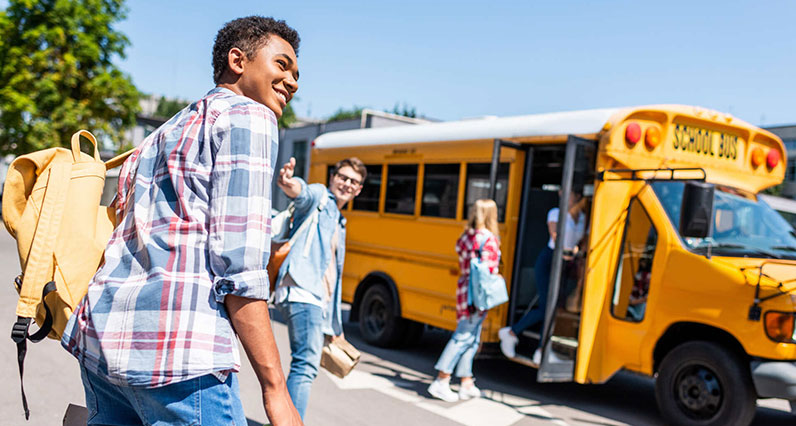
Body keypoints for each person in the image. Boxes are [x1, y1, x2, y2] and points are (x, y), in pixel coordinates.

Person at [60, 16, 302, 426]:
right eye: (282, 65)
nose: (292, 82)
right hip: (179, 356)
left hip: (102, 345)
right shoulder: (250, 116)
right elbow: (240, 269)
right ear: (237, 60)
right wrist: (276, 390)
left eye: (296, 75)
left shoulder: (162, 133)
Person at [273, 156, 365, 419]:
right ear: (332, 177)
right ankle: (289, 422)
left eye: (354, 182)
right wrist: (288, 183)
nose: (347, 184)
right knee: (305, 365)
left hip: (314, 298)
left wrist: (333, 325)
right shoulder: (320, 197)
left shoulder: (339, 219)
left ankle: (283, 420)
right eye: (343, 177)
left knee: (304, 364)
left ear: (359, 190)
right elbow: (302, 193)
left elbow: (330, 276)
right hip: (301, 290)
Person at [427, 199, 502, 402]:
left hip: (465, 288)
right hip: (478, 294)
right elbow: (487, 269)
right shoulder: (489, 239)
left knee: (472, 337)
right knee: (463, 336)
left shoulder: (467, 236)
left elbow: (461, 255)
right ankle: (441, 380)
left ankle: (466, 381)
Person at [498, 190, 586, 361]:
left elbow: (581, 242)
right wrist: (570, 251)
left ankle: (537, 347)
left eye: (573, 194)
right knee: (547, 307)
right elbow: (555, 236)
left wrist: (576, 251)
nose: (570, 197)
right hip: (549, 260)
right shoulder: (556, 213)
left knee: (556, 307)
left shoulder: (582, 218)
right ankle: (521, 337)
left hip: (568, 265)